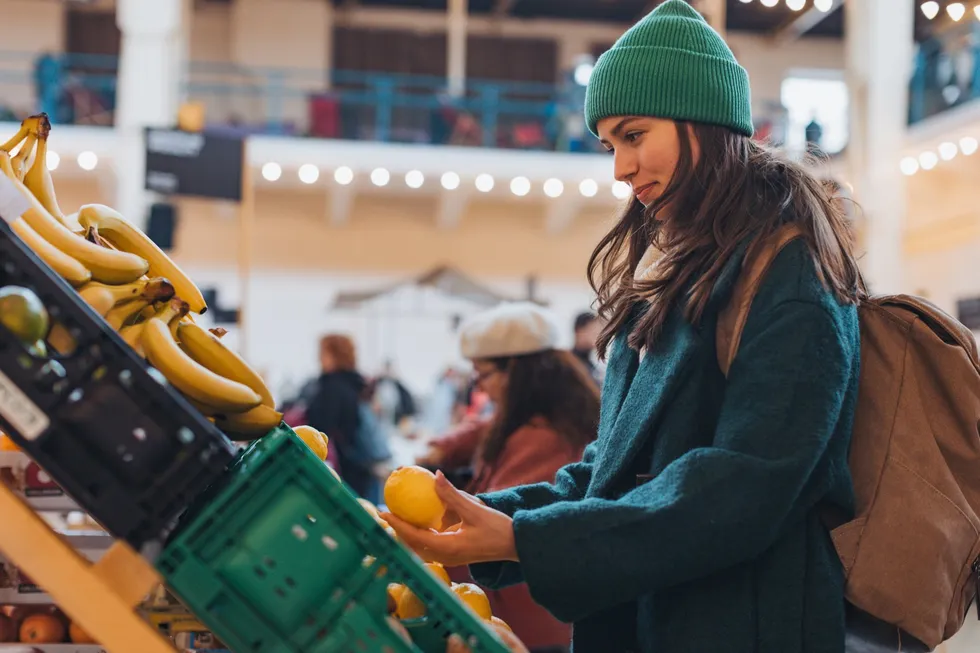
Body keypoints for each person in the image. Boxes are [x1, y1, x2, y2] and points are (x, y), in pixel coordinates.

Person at [381, 3, 868, 652]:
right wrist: (487, 517)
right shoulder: (682, 274)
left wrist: (525, 539)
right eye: (611, 144)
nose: (619, 168)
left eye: (634, 135)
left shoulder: (792, 275)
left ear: (703, 119)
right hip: (647, 619)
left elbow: (743, 489)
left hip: (745, 625)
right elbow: (609, 472)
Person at [421, 302, 600, 653]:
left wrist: (425, 546)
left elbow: (491, 528)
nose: (482, 390)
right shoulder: (548, 416)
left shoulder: (543, 438)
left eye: (482, 376)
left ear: (516, 370)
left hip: (530, 626)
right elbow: (484, 427)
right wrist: (444, 447)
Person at [305, 334, 388, 503]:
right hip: (361, 465)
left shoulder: (333, 387)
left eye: (323, 353)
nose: (319, 358)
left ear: (334, 355)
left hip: (344, 465)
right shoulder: (356, 383)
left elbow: (322, 427)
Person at [571, 311, 603, 387]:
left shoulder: (592, 366)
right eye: (592, 330)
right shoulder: (569, 364)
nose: (597, 336)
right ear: (579, 331)